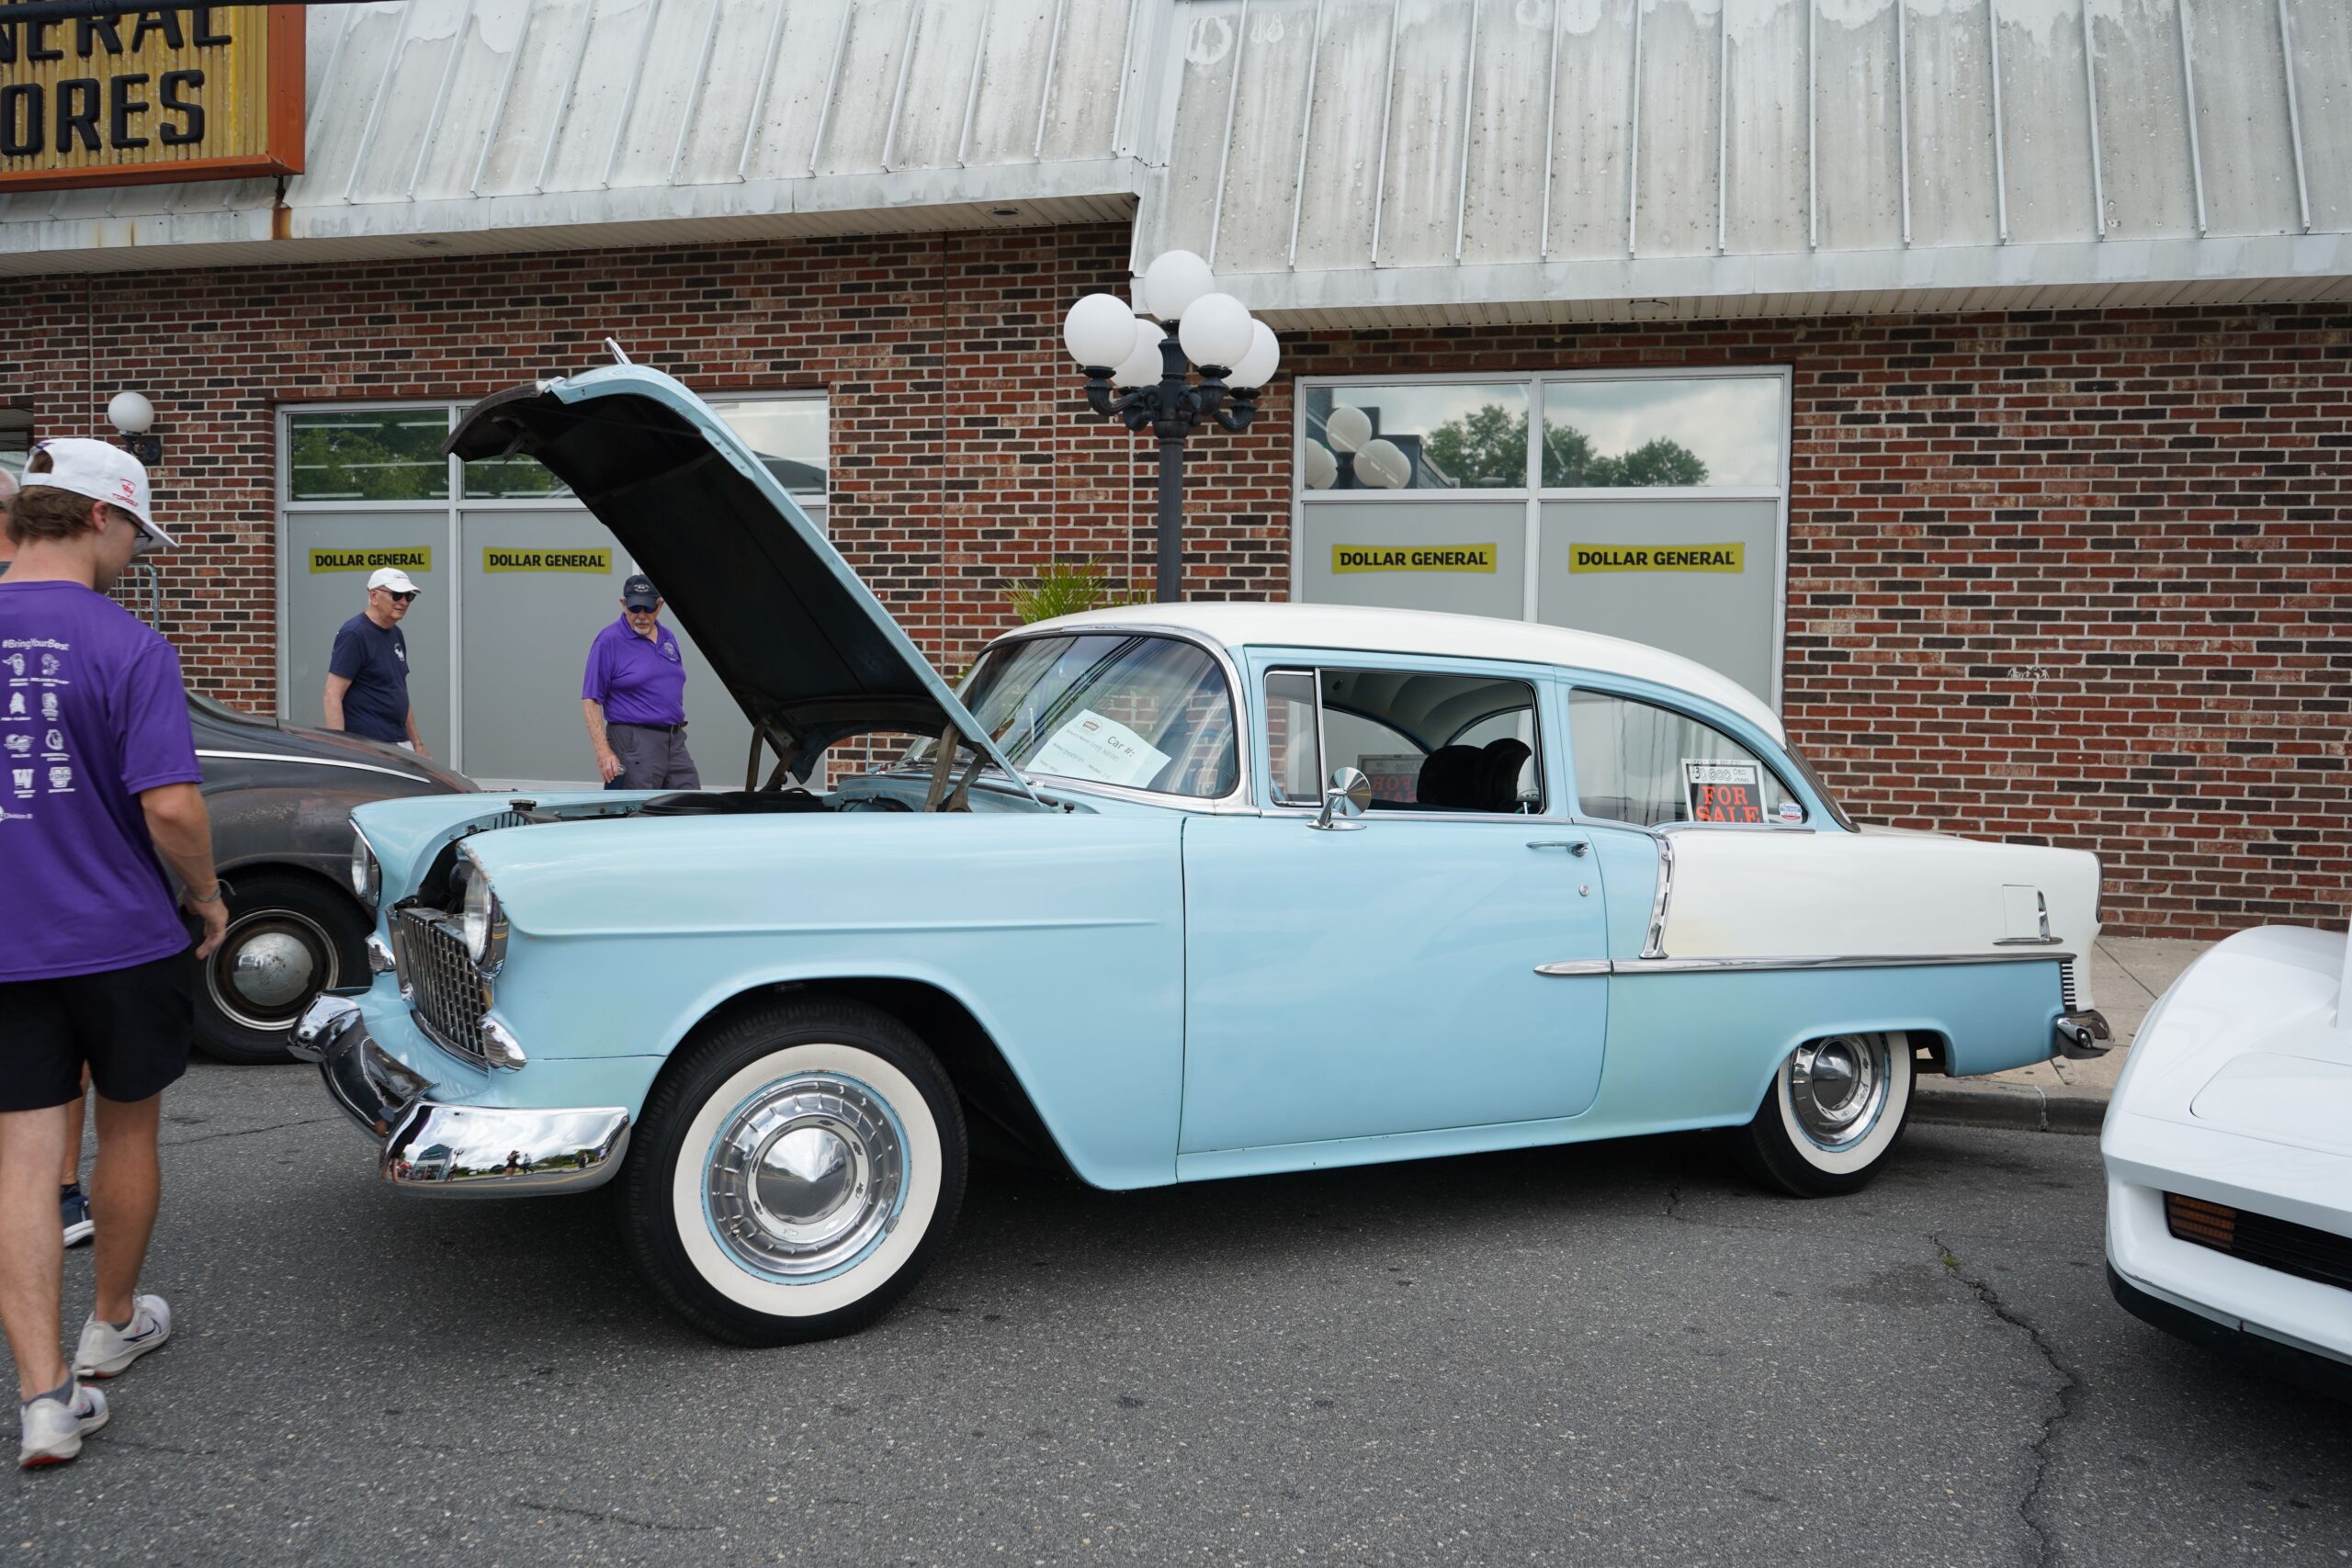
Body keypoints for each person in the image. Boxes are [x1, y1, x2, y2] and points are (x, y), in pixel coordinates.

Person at [0, 439, 226, 1469]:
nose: (136, 551)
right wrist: (208, 896)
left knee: (24, 1158)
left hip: (9, 940)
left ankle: (45, 1397)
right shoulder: (128, 644)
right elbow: (170, 806)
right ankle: (113, 1322)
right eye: (135, 529)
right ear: (99, 516)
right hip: (121, 936)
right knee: (127, 1128)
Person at [582, 574, 699, 790]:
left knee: (690, 802)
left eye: (648, 608)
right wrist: (603, 751)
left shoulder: (668, 637)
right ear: (623, 604)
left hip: (674, 740)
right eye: (635, 608)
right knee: (639, 806)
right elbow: (591, 699)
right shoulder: (609, 640)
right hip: (634, 741)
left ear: (660, 605)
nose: (641, 616)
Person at [323, 566, 426, 755]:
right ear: (374, 596)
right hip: (369, 745)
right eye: (396, 595)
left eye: (409, 596)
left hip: (399, 741)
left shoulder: (396, 633)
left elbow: (399, 690)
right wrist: (340, 750)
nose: (404, 602)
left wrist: (417, 745)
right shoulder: (354, 633)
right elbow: (332, 694)